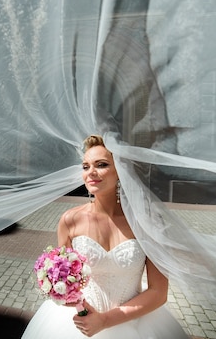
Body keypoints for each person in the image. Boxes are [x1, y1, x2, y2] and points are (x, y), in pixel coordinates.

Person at [21, 135, 189, 338]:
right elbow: (65, 280)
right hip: (78, 325)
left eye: (101, 165)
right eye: (85, 166)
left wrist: (105, 320)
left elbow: (158, 292)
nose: (91, 172)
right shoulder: (70, 220)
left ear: (121, 170)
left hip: (137, 323)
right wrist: (67, 297)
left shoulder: (147, 224)